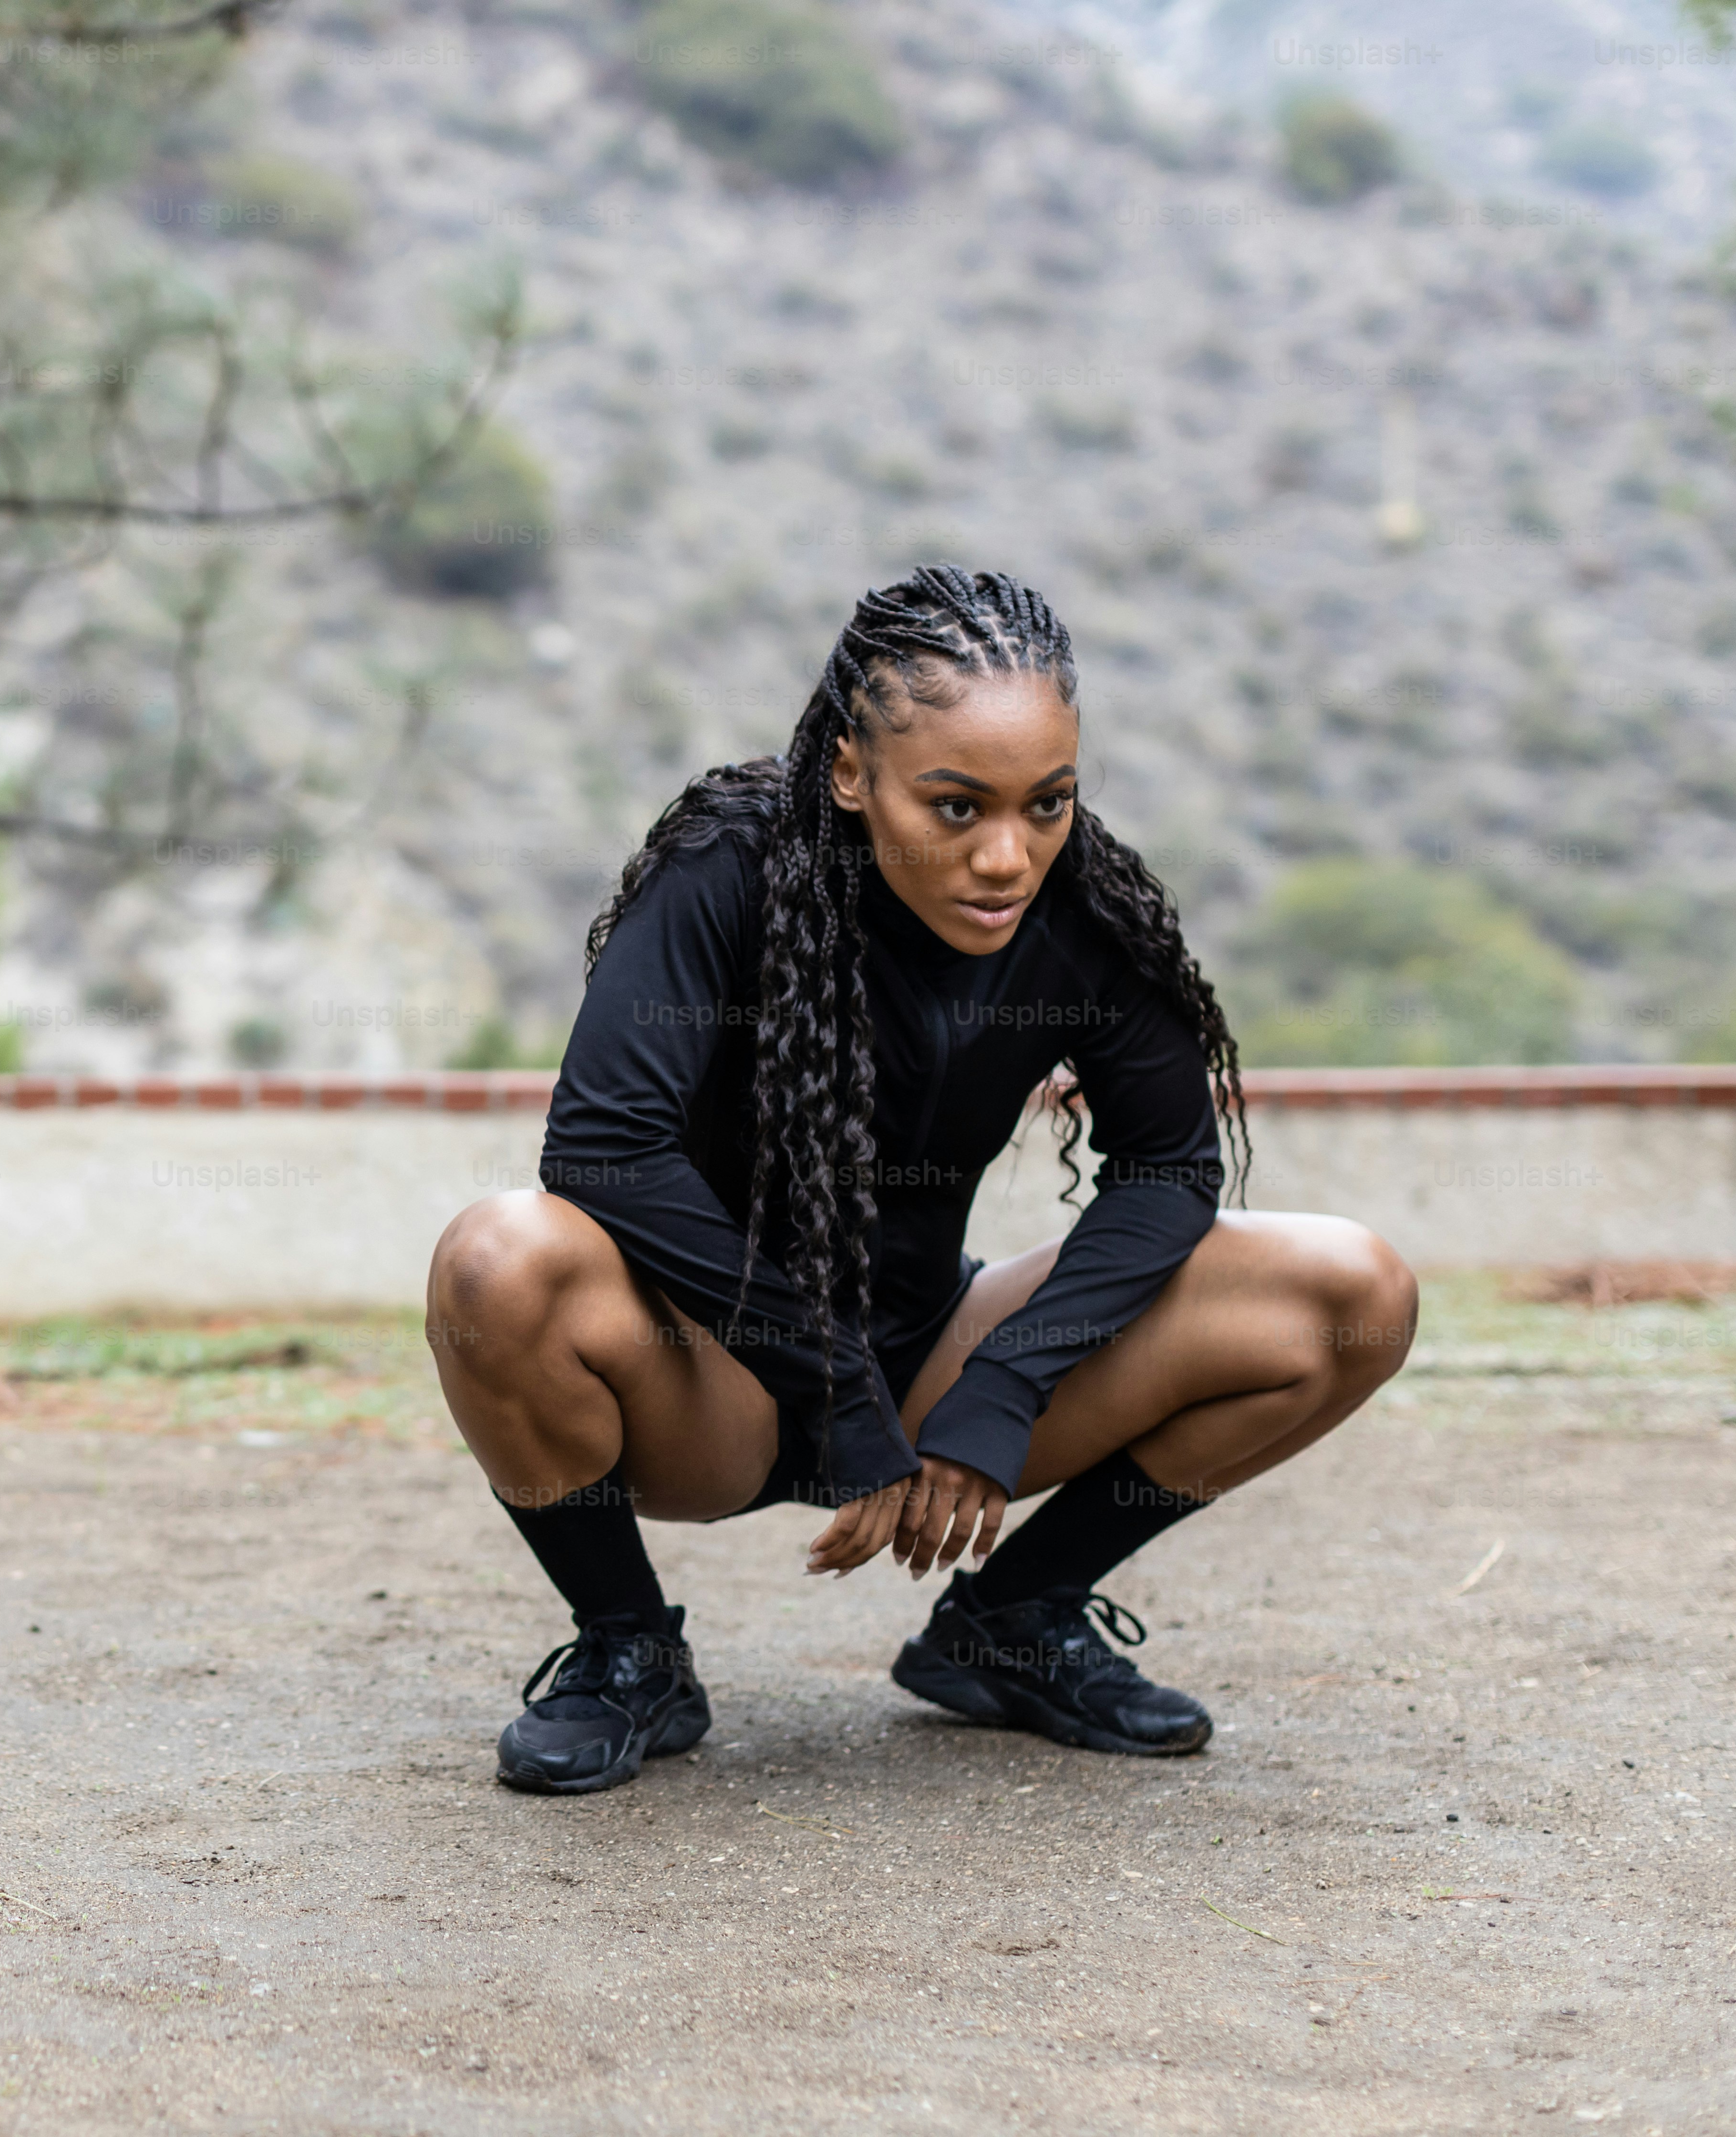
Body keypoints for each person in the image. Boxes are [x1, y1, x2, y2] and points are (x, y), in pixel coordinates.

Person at [427, 566, 1416, 1795]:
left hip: (928, 1355)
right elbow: (604, 1147)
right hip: (709, 1379)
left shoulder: (1082, 911)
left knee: (1348, 1291)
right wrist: (833, 1387)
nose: (1009, 857)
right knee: (495, 1260)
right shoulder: (731, 869)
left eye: (1046, 803)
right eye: (957, 808)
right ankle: (630, 1652)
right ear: (853, 774)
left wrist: (1002, 1390)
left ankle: (1013, 1621)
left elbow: (1166, 1165)